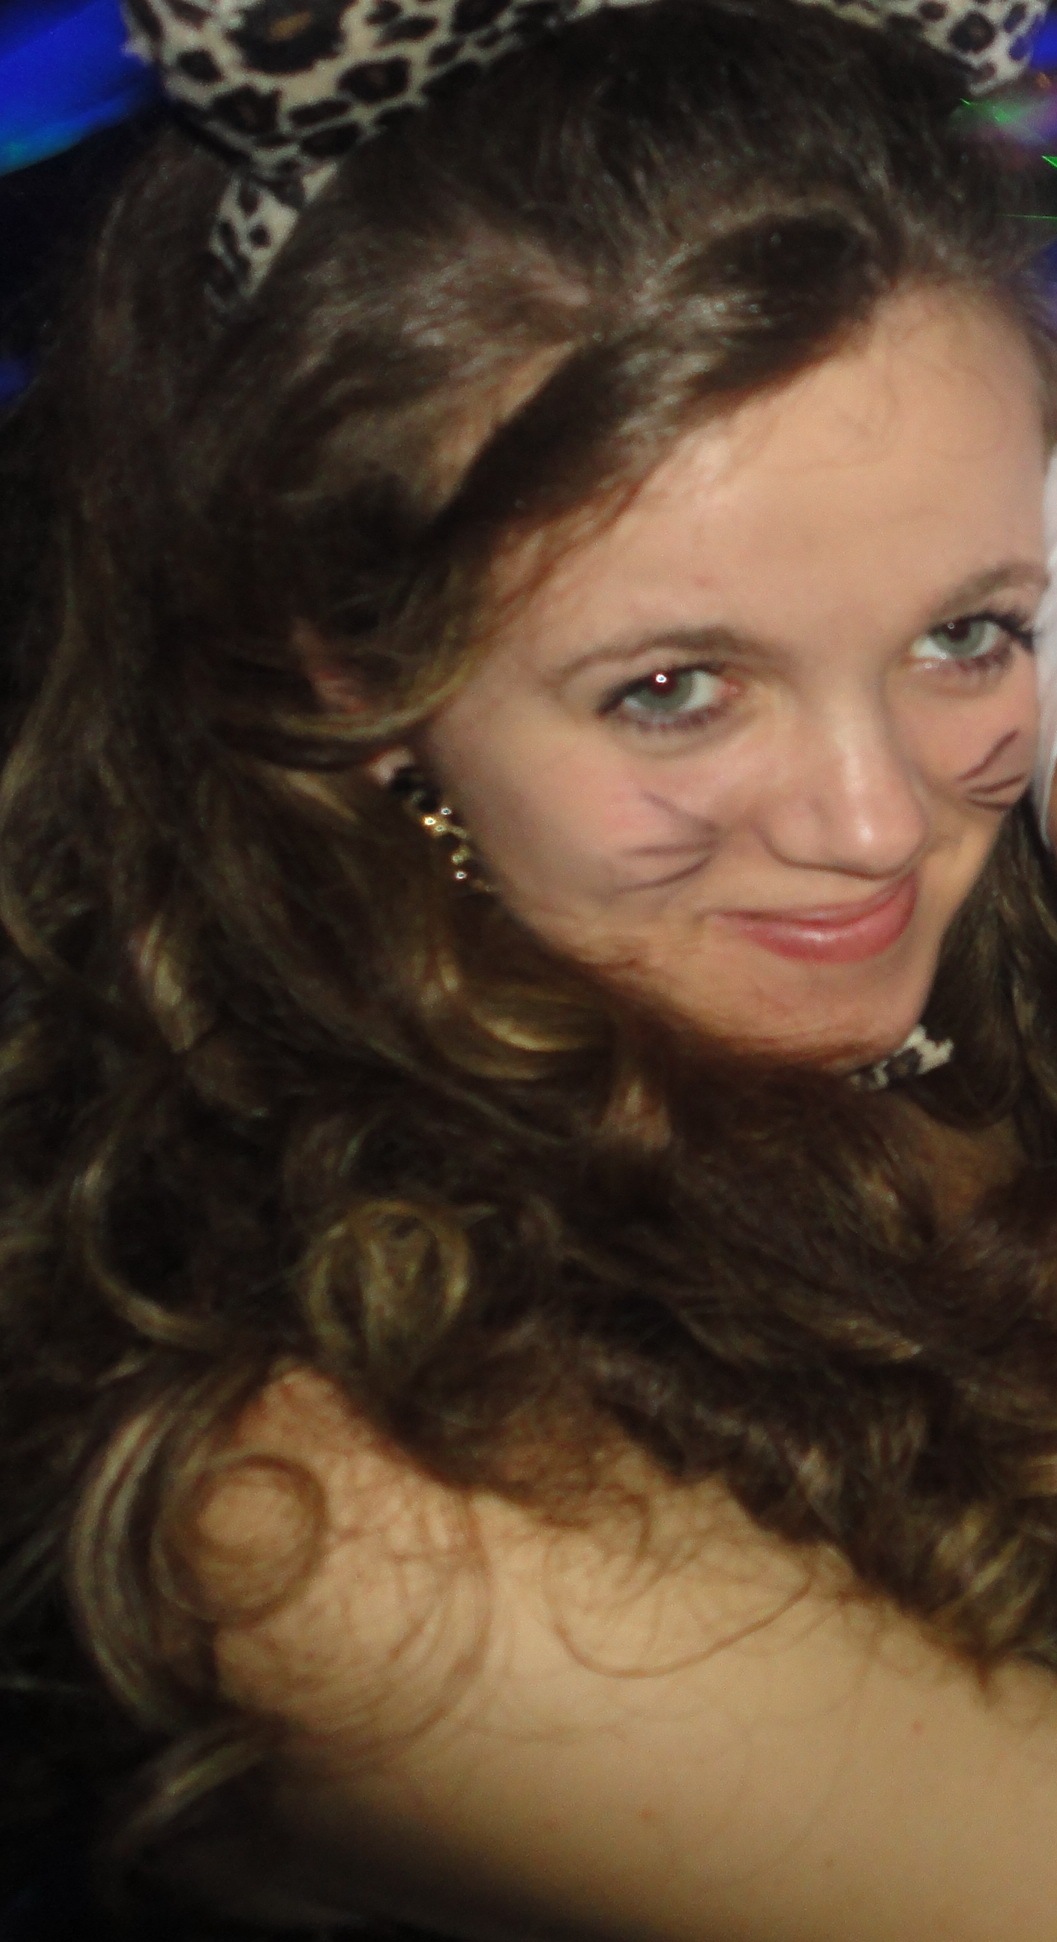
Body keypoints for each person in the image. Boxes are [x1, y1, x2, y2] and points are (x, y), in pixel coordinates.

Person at [8, 0, 1057, 1934]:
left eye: (964, 631)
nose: (878, 821)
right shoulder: (339, 1513)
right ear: (358, 681)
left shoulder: (965, 987)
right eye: (670, 686)